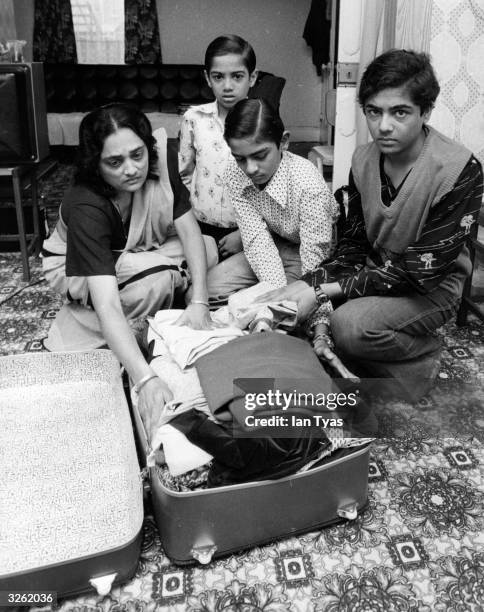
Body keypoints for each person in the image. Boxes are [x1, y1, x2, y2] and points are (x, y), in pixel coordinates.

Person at [259, 50, 483, 391]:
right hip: (376, 271)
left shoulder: (459, 169)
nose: (383, 126)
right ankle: (377, 358)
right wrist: (307, 283)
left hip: (433, 287)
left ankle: (425, 355)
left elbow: (419, 273)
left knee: (347, 326)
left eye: (400, 112)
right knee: (294, 309)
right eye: (373, 112)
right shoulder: (363, 159)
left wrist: (323, 292)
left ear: (426, 111)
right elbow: (353, 245)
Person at [42, 103, 217, 438]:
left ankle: (164, 284)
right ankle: (154, 299)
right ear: (95, 164)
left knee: (207, 248)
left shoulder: (162, 159)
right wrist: (147, 379)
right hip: (75, 269)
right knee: (153, 280)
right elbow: (106, 304)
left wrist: (200, 304)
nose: (131, 169)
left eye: (137, 154)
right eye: (115, 162)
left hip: (136, 250)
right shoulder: (86, 204)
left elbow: (190, 231)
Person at [207, 98, 339, 330]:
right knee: (204, 291)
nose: (250, 169)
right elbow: (257, 240)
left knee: (287, 311)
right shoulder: (235, 174)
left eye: (260, 156)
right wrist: (272, 291)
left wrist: (278, 300)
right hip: (274, 240)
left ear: (284, 142)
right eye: (240, 158)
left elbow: (315, 261)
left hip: (313, 251)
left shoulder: (308, 185)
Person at [179, 34, 257, 260]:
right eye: (218, 77)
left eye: (237, 76)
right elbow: (184, 173)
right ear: (207, 78)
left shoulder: (261, 122)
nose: (228, 86)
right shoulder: (193, 118)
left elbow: (271, 187)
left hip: (244, 232)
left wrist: (244, 234)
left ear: (252, 77)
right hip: (199, 225)